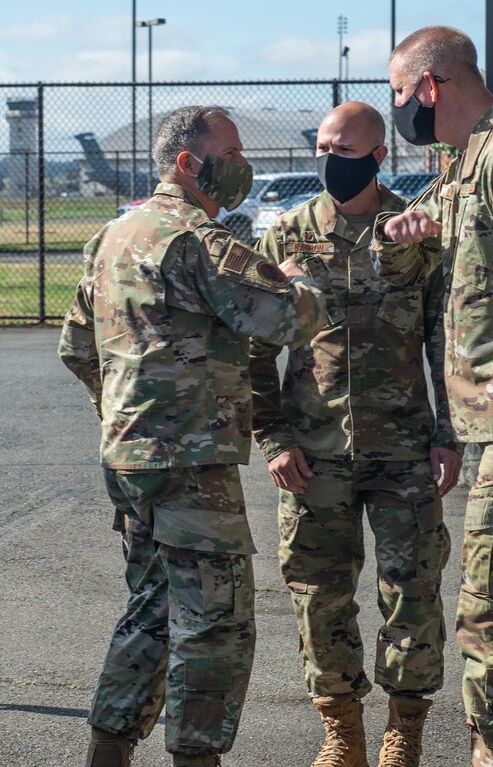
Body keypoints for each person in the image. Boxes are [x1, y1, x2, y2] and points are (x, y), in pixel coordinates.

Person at [58, 104, 326, 767]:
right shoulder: (196, 237)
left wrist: (125, 409)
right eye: (231, 152)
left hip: (130, 458)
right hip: (190, 464)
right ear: (188, 162)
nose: (243, 166)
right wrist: (301, 282)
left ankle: (108, 748)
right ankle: (195, 757)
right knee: (216, 626)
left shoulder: (114, 235)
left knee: (151, 610)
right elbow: (282, 319)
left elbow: (75, 346)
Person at [249, 100, 461, 767]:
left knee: (414, 591)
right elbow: (255, 347)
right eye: (320, 146)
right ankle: (341, 730)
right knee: (318, 595)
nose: (326, 160)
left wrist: (448, 433)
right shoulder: (287, 234)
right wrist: (272, 437)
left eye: (341, 149)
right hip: (315, 453)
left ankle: (407, 728)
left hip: (403, 450)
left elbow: (442, 340)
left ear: (376, 156)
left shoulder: (417, 233)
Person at [371, 26, 493, 767]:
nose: (398, 106)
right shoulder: (465, 161)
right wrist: (411, 228)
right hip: (489, 426)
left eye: (398, 92)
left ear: (430, 86)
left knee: (491, 620)